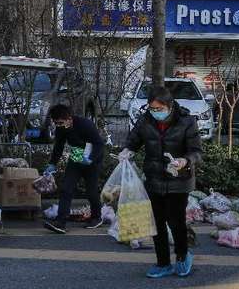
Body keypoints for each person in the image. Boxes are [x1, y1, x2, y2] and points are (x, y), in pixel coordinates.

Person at [119, 86, 202, 278]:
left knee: (176, 222)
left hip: (179, 180)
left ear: (169, 105)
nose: (156, 113)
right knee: (156, 223)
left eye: (159, 109)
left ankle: (182, 256)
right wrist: (127, 151)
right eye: (152, 109)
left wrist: (184, 161)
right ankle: (163, 263)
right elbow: (134, 141)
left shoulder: (187, 122)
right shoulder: (145, 121)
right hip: (154, 179)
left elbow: (196, 151)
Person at [43, 104, 105, 234]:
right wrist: (52, 163)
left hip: (92, 160)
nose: (58, 125)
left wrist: (91, 158)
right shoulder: (61, 129)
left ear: (69, 118)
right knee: (66, 189)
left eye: (60, 122)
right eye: (56, 123)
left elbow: (99, 143)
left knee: (91, 191)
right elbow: (58, 146)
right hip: (76, 158)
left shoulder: (85, 125)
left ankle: (96, 217)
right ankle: (61, 222)